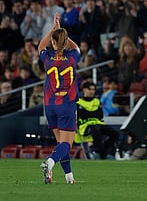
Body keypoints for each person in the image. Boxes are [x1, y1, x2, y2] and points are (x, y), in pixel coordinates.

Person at [39, 13, 80, 185]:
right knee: (67, 144)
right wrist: (62, 32)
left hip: (50, 105)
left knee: (60, 143)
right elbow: (76, 47)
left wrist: (53, 29)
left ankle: (69, 177)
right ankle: (50, 162)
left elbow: (40, 46)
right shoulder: (72, 57)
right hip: (67, 104)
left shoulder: (47, 58)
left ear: (53, 43)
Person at [76, 81, 119, 160]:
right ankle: (103, 154)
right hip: (85, 127)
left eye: (93, 89)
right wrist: (92, 113)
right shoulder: (78, 102)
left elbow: (100, 115)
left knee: (115, 133)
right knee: (95, 130)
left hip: (98, 124)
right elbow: (81, 115)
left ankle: (101, 151)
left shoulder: (97, 101)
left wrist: (87, 112)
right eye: (90, 89)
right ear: (84, 90)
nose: (92, 91)